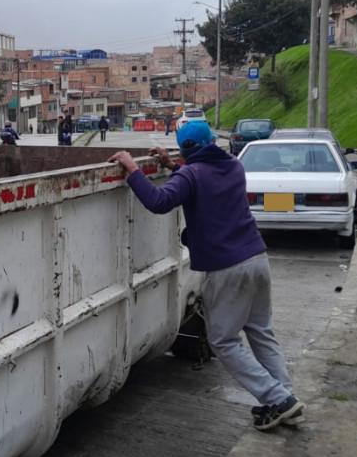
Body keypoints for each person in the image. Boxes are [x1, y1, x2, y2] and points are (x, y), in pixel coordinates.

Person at [107, 120, 303, 431]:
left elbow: (160, 202)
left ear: (184, 149)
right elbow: (202, 179)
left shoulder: (191, 175)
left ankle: (277, 398)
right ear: (212, 141)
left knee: (223, 341)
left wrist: (133, 169)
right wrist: (173, 165)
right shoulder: (234, 167)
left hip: (228, 269)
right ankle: (284, 398)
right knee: (261, 332)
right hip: (257, 259)